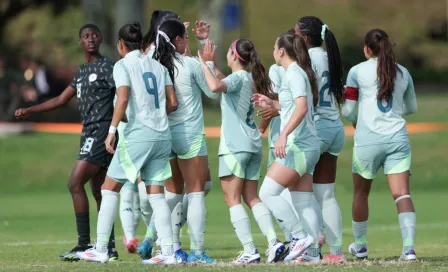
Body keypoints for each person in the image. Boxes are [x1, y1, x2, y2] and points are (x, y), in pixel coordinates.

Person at [76, 21, 179, 264]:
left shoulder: (122, 65)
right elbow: (173, 103)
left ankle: (101, 248)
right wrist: (155, 115)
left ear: (121, 45)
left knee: (108, 188)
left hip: (139, 136)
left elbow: (121, 100)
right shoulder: (158, 66)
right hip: (162, 136)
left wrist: (112, 131)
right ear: (142, 44)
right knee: (156, 194)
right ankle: (167, 253)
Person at [15, 24, 118, 262]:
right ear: (80, 42)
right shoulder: (82, 70)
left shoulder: (109, 66)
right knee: (100, 192)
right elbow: (62, 99)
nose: (90, 39)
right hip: (89, 132)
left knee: (74, 183)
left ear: (100, 38)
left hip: (102, 131)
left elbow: (124, 95)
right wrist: (31, 109)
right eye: (85, 36)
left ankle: (84, 244)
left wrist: (118, 124)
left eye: (94, 35)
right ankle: (108, 248)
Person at [199, 39, 285, 264]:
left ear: (235, 56)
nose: (226, 54)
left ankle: (249, 250)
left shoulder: (238, 78)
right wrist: (210, 62)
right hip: (253, 144)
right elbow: (222, 79)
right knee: (251, 196)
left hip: (235, 146)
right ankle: (274, 242)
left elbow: (215, 86)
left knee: (232, 198)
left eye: (228, 51)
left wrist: (203, 63)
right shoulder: (249, 77)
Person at [342, 29, 417, 261]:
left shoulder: (356, 71)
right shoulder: (403, 72)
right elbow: (411, 108)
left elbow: (348, 111)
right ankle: (409, 249)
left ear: (367, 49)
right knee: (402, 194)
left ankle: (361, 246)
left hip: (367, 140)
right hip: (397, 138)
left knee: (361, 193)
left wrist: (355, 120)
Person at [253, 31, 320, 263]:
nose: (272, 51)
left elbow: (301, 108)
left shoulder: (293, 74)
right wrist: (272, 103)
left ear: (281, 51)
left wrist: (283, 135)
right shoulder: (295, 73)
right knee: (302, 200)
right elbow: (293, 106)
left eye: (274, 47)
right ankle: (312, 254)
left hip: (299, 145)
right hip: (308, 145)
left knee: (267, 192)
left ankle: (299, 238)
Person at [295, 16, 345, 262]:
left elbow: (304, 98)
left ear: (305, 38)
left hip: (317, 130)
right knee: (326, 195)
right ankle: (336, 253)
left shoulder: (306, 61)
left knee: (302, 193)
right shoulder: (330, 57)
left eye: (296, 34)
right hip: (336, 127)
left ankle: (313, 250)